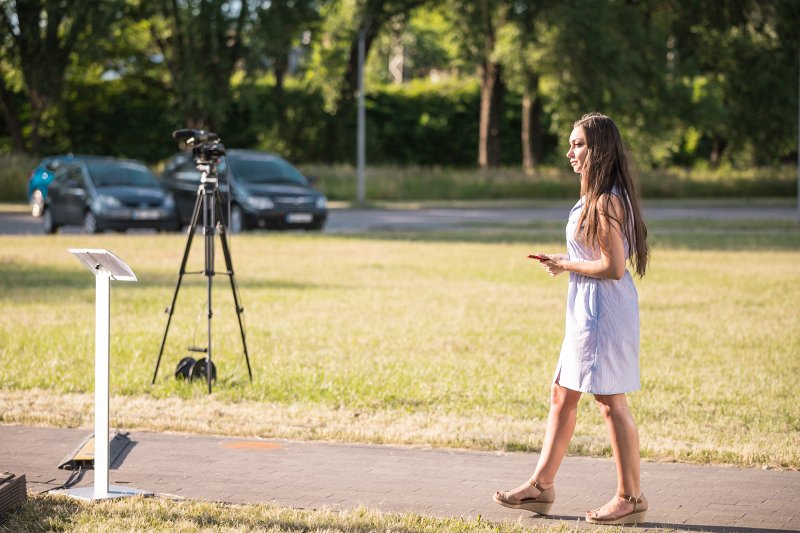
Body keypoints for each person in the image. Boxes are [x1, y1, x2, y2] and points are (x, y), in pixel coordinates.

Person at [492, 112, 650, 525]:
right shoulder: (593, 197)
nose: (570, 153)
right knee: (562, 394)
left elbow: (613, 267)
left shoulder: (608, 199)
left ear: (598, 149)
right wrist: (566, 262)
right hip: (585, 312)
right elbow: (595, 259)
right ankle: (541, 487)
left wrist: (568, 265)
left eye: (578, 144)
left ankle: (630, 498)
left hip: (603, 313)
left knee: (611, 404)